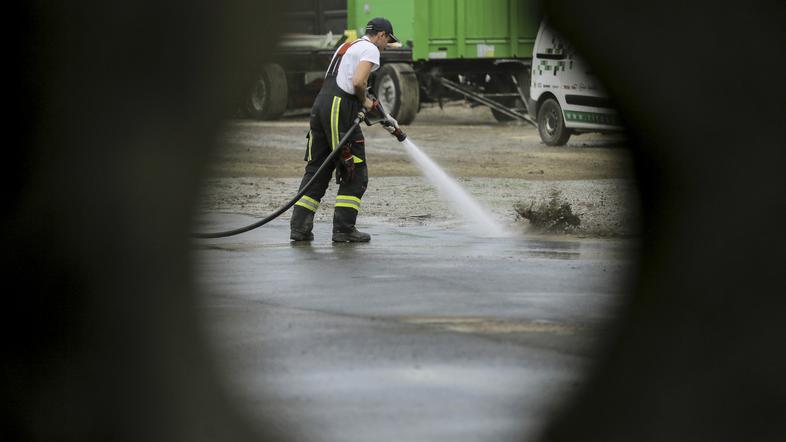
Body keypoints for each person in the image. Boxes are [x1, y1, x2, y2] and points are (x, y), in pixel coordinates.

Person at [289, 17, 399, 243]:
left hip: (321, 106)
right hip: (340, 108)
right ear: (381, 35)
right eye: (387, 40)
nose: (386, 45)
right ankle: (344, 229)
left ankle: (299, 229)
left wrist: (383, 117)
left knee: (317, 168)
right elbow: (358, 83)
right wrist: (365, 102)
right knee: (354, 170)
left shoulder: (347, 45)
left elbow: (346, 79)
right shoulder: (371, 49)